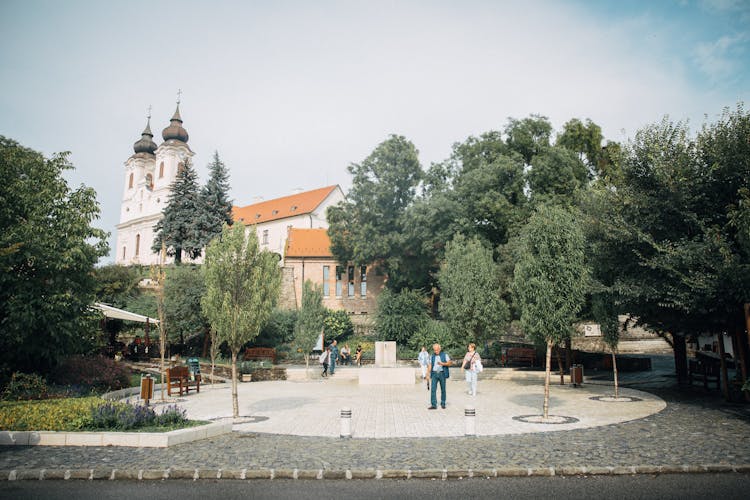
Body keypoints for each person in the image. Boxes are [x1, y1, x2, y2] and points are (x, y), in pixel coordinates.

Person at [427, 343, 451, 409]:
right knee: (433, 389)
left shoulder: (445, 355)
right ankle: (434, 405)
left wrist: (442, 363)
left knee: (443, 389)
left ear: (440, 349)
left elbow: (449, 363)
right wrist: (428, 374)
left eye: (437, 350)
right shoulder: (432, 356)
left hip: (442, 373)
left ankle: (443, 403)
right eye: (434, 350)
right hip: (434, 374)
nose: (435, 351)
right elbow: (430, 365)